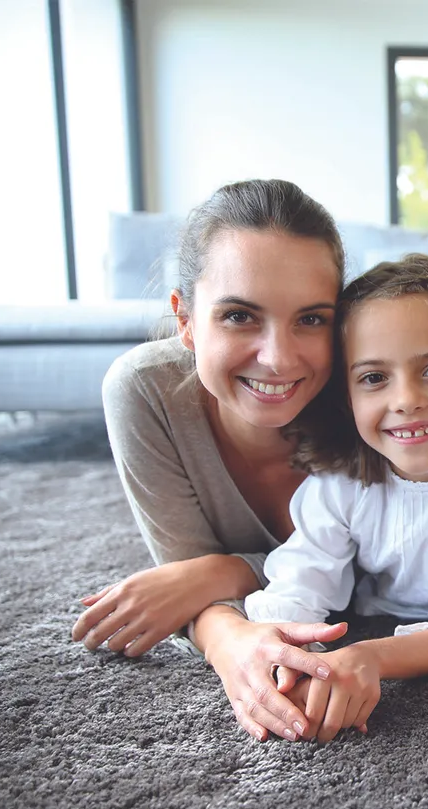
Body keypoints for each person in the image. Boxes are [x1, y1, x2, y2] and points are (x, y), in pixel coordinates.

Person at [75, 178, 353, 743]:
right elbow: (186, 576)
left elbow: (394, 565)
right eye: (238, 316)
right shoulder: (145, 391)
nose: (278, 359)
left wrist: (219, 571)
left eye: (311, 318)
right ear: (185, 321)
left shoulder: (370, 391)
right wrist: (231, 641)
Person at [244, 254, 428, 741]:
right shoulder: (340, 483)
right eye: (374, 378)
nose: (406, 400)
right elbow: (301, 581)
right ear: (346, 395)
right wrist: (290, 664)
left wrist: (372, 657)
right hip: (378, 614)